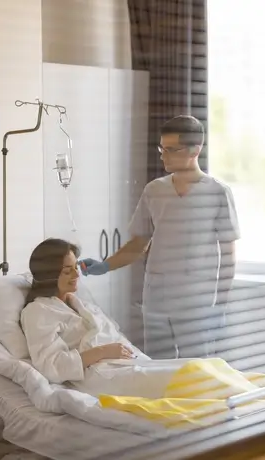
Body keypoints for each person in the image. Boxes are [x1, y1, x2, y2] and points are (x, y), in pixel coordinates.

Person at [78, 115, 241, 359]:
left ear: (195, 150)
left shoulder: (217, 192)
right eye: (161, 148)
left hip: (197, 301)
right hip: (157, 298)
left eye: (171, 149)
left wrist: (221, 305)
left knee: (195, 368)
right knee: (156, 364)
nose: (163, 155)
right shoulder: (154, 190)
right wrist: (105, 265)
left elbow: (228, 256)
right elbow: (138, 244)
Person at [20, 238, 183, 398]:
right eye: (68, 271)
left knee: (193, 370)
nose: (77, 274)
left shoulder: (81, 305)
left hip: (131, 362)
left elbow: (115, 337)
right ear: (50, 276)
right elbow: (52, 367)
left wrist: (143, 359)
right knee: (184, 380)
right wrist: (103, 351)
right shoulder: (38, 311)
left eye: (76, 266)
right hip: (102, 374)